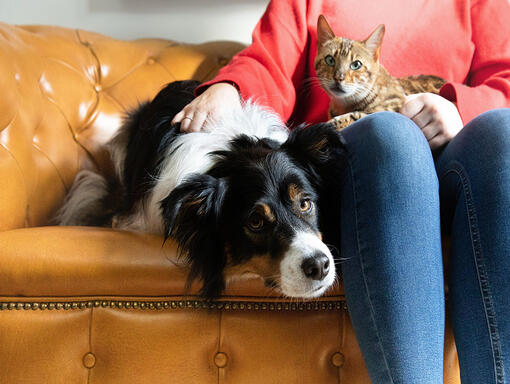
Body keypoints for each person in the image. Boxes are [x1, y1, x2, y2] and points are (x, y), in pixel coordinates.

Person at [172, 1, 510, 383]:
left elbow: (506, 78)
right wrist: (229, 88)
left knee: (502, 131)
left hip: (458, 163)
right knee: (391, 135)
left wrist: (457, 107)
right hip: (366, 169)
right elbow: (269, 61)